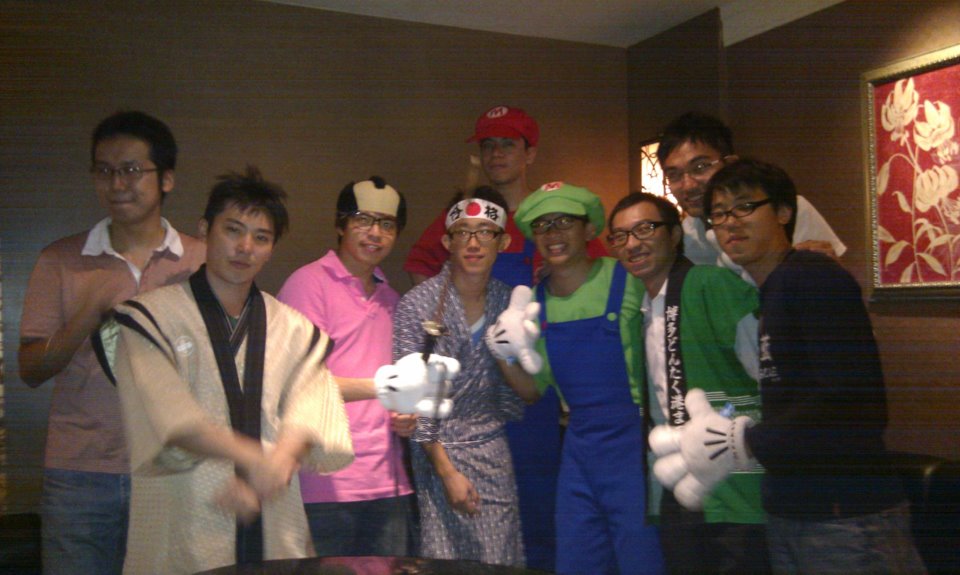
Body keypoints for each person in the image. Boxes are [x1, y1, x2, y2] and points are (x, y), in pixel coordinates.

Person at [652, 158, 925, 574]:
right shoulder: (770, 290)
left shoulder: (813, 278)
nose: (730, 222)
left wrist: (745, 440)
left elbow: (852, 400)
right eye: (719, 213)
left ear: (783, 211)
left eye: (745, 207)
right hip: (791, 509)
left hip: (843, 513)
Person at [107, 167, 356, 574]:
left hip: (272, 519)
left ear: (271, 248)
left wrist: (281, 460)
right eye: (233, 230)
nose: (245, 247)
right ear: (205, 230)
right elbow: (169, 416)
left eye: (261, 237)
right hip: (186, 510)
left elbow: (312, 407)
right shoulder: (150, 319)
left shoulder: (295, 330)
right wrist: (256, 457)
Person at [404, 105, 602, 570]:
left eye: (507, 144)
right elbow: (419, 267)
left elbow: (595, 274)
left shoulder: (549, 215)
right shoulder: (464, 211)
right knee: (469, 517)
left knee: (537, 503)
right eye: (488, 145)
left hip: (529, 380)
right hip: (473, 395)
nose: (496, 154)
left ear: (529, 153)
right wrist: (456, 331)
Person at [18, 110, 205, 575]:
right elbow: (31, 369)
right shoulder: (60, 260)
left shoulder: (200, 262)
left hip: (175, 469)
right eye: (104, 170)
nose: (116, 183)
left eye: (131, 170)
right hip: (80, 475)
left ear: (166, 179)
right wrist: (84, 316)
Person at [607, 191, 768, 574]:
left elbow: (771, 378)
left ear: (675, 234)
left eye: (644, 229)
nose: (632, 244)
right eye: (620, 236)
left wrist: (736, 429)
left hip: (734, 481)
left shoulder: (713, 285)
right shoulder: (641, 311)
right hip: (678, 483)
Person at [510, 182, 665, 575]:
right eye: (542, 225)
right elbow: (531, 391)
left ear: (589, 229)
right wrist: (502, 352)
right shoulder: (534, 303)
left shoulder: (628, 278)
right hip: (578, 447)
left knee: (643, 559)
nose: (553, 233)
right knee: (577, 560)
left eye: (564, 222)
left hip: (635, 443)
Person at [276, 176, 417, 557]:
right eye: (363, 220)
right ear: (340, 224)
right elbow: (299, 382)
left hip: (388, 481)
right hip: (324, 481)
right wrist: (385, 386)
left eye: (387, 224)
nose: (375, 233)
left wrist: (405, 413)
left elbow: (395, 386)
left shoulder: (392, 299)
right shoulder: (308, 284)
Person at [394, 187, 534, 567]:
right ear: (447, 242)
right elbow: (412, 401)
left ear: (503, 242)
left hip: (491, 448)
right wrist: (447, 472)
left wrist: (504, 353)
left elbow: (529, 393)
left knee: (499, 559)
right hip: (436, 451)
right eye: (463, 232)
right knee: (443, 560)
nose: (473, 243)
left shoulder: (510, 304)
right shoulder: (416, 305)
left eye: (485, 232)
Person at [656, 111, 846, 274]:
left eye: (700, 167)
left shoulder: (783, 209)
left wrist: (828, 268)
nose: (688, 185)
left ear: (730, 163)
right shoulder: (686, 238)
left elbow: (835, 286)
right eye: (674, 175)